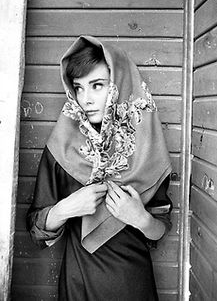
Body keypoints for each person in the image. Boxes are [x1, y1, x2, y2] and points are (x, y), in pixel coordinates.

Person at [27, 35, 172, 301]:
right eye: (78, 88)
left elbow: (160, 227)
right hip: (78, 279)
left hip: (132, 282)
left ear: (120, 84)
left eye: (97, 86)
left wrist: (139, 218)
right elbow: (35, 227)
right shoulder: (62, 147)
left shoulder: (147, 150)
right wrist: (66, 208)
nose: (86, 99)